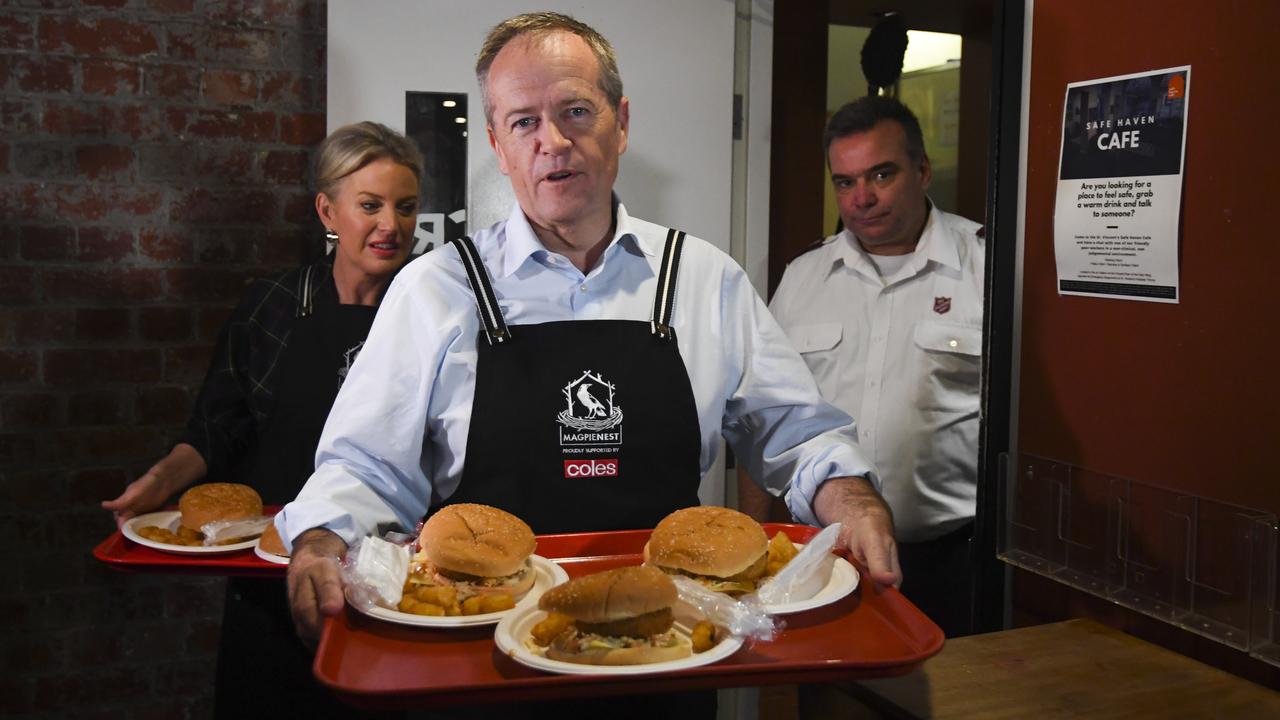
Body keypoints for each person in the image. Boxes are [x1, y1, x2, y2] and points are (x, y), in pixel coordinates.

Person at [278, 13, 899, 714]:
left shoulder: (702, 279)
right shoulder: (434, 290)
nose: (553, 141)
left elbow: (796, 433)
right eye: (523, 122)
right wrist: (322, 537)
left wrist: (850, 494)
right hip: (480, 661)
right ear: (497, 144)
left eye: (576, 110)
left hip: (667, 654)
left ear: (621, 121)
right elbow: (363, 467)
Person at [102, 121, 423, 718]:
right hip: (267, 565)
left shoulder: (433, 310)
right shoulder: (272, 305)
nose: (392, 226)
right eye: (371, 205)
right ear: (327, 210)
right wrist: (160, 483)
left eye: (406, 208)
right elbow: (218, 427)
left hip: (393, 575)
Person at [765, 96, 984, 638]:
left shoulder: (989, 265)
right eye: (844, 182)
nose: (861, 198)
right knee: (829, 700)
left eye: (881, 175)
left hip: (951, 560)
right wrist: (760, 530)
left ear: (923, 170)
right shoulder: (804, 277)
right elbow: (766, 413)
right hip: (824, 553)